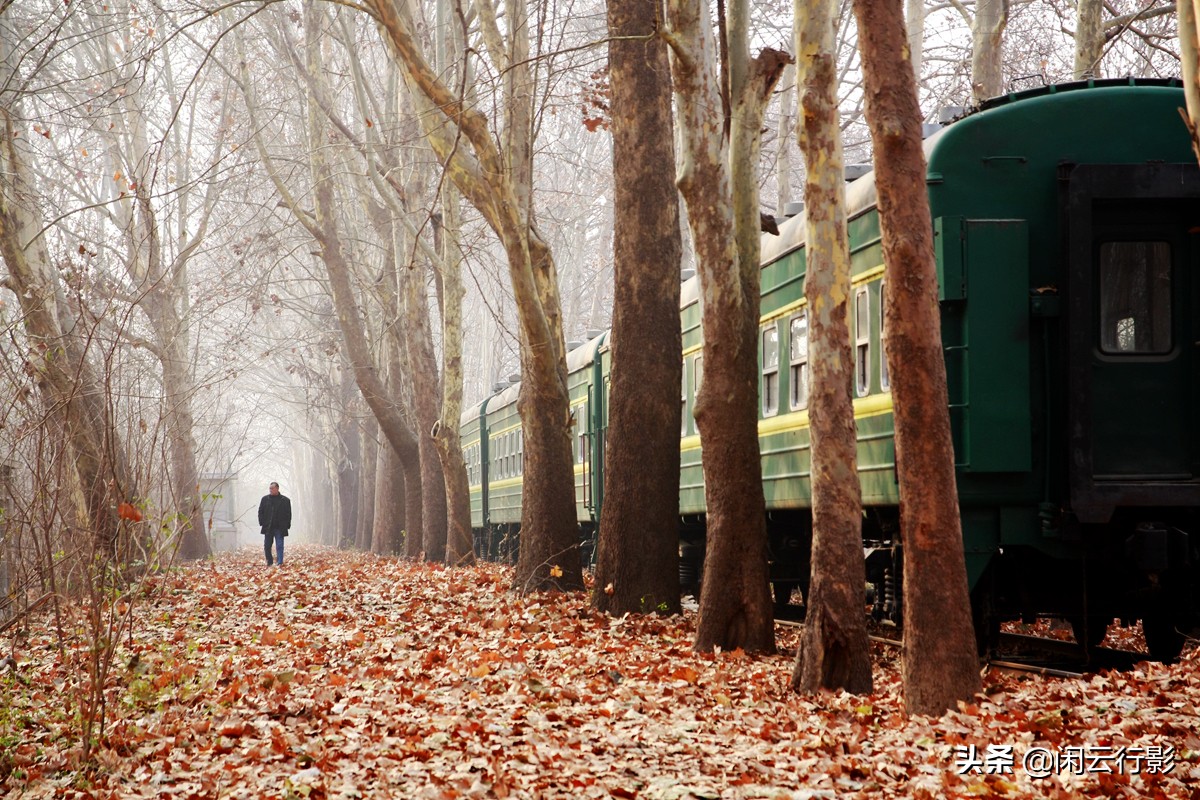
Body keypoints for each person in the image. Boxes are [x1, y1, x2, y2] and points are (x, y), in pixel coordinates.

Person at [258, 482, 292, 566]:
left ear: (277, 488)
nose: (271, 490)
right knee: (267, 546)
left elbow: (288, 514)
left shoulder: (285, 500)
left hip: (280, 528)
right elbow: (260, 511)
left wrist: (287, 525)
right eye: (270, 488)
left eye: (272, 488)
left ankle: (280, 562)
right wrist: (262, 522)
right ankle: (269, 562)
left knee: (280, 545)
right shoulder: (265, 499)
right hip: (268, 527)